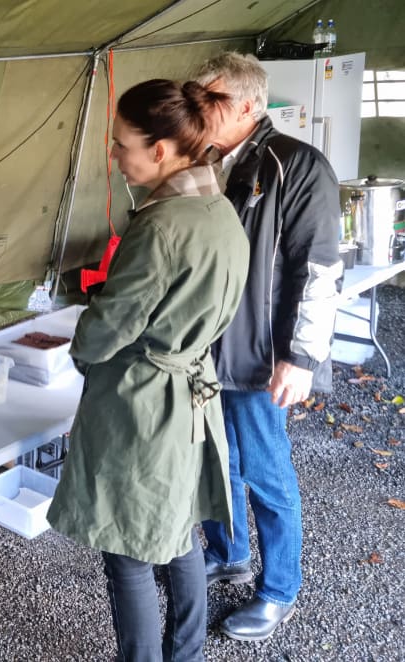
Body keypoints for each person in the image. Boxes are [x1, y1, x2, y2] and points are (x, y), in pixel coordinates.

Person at [47, 79, 250, 661]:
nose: (114, 157)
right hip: (193, 391)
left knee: (129, 550)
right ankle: (184, 652)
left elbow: (106, 329)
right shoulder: (219, 209)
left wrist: (83, 346)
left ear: (160, 150)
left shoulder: (160, 227)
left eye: (120, 145)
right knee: (178, 526)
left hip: (145, 402)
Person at [193, 52, 342, 641]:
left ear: (249, 106)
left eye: (213, 99)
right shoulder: (210, 160)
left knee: (265, 469)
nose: (200, 108)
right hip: (211, 345)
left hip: (261, 355)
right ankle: (227, 549)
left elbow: (319, 268)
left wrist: (301, 357)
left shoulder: (296, 165)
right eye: (198, 95)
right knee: (216, 458)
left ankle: (279, 586)